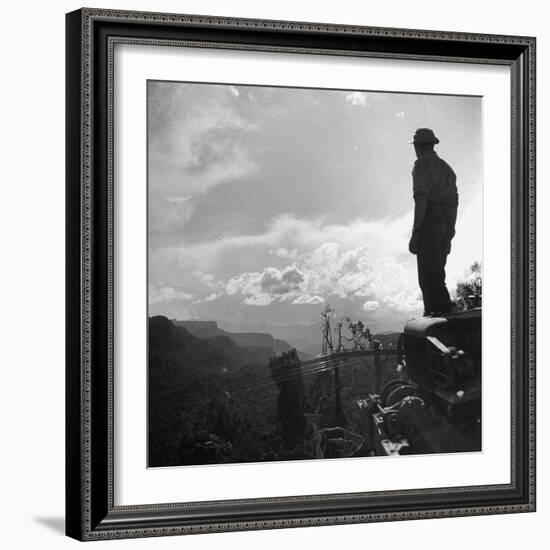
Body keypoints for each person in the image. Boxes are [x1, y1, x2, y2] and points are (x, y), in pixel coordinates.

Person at [408, 128, 458, 316]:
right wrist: (450, 232)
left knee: (428, 277)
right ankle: (442, 314)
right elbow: (454, 202)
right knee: (438, 273)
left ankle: (437, 317)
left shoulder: (421, 165)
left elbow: (421, 199)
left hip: (431, 220)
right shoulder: (447, 169)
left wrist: (416, 233)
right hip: (446, 221)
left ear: (418, 147)